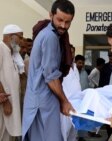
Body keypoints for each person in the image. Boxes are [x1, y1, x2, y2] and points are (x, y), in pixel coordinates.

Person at [22, 1, 75, 141]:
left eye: (68, 22)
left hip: (38, 101)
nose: (63, 25)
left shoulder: (46, 33)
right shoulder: (50, 37)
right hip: (43, 103)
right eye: (60, 20)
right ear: (51, 15)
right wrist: (64, 101)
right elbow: (51, 77)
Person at [0, 24, 23, 141]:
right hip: (3, 104)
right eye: (20, 37)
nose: (22, 41)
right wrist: (5, 102)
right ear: (11, 36)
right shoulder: (0, 47)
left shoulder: (11, 53)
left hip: (10, 105)